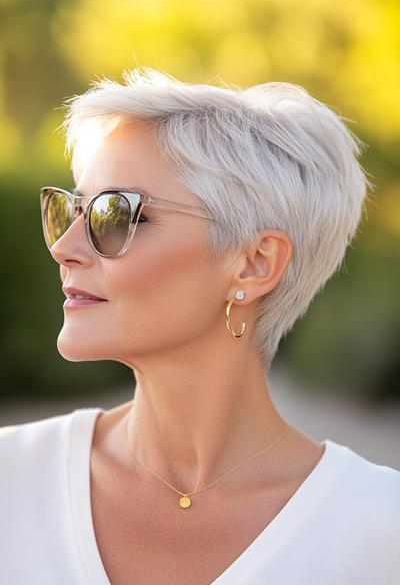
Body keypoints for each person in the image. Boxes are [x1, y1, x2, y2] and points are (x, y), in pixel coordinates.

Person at [0, 66, 399, 585]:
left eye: (115, 214)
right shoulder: (12, 478)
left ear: (255, 263)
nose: (64, 248)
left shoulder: (381, 530)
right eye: (71, 210)